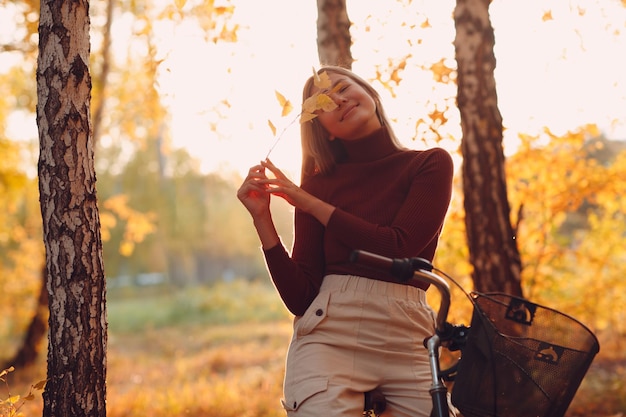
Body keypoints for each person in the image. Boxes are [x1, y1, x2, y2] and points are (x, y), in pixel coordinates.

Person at [237, 66, 454, 417]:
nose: (338, 100)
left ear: (369, 92)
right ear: (325, 132)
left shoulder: (429, 164)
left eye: (342, 88)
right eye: (324, 104)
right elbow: (301, 296)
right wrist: (262, 219)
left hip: (409, 338)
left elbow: (397, 246)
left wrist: (307, 201)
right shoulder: (318, 185)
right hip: (330, 339)